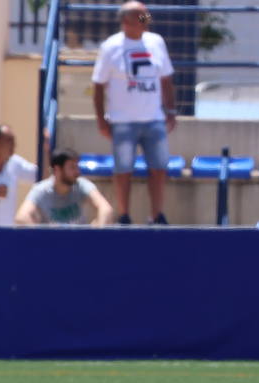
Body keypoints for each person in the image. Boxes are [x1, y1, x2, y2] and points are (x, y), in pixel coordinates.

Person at [92, 0, 177, 224]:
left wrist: (171, 110)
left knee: (159, 168)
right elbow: (98, 85)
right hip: (123, 121)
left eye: (147, 15)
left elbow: (166, 79)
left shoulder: (156, 42)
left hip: (154, 119)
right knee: (123, 170)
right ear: (126, 21)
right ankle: (124, 215)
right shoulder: (110, 47)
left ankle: (157, 215)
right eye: (141, 16)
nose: (147, 20)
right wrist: (101, 120)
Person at [16, 148, 115, 226]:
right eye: (72, 167)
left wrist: (97, 234)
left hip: (79, 243)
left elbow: (106, 209)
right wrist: (41, 238)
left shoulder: (81, 184)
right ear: (57, 170)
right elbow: (21, 217)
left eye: (77, 167)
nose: (77, 172)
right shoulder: (41, 190)